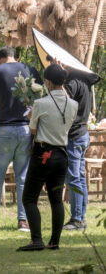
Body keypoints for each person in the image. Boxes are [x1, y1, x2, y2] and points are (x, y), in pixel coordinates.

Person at [17, 64, 78, 251]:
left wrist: (31, 117)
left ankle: (36, 240)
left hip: (43, 153)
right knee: (56, 199)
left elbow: (33, 130)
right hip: (62, 154)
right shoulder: (73, 104)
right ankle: (55, 241)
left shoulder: (40, 103)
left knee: (29, 198)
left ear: (47, 82)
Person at [0, 46, 42, 231]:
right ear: (15, 57)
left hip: (4, 129)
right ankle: (23, 221)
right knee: (22, 177)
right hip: (25, 128)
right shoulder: (30, 69)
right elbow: (39, 96)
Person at [62, 67, 100, 230]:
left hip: (74, 136)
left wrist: (59, 75)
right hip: (82, 133)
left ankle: (77, 219)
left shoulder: (73, 81)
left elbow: (62, 100)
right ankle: (80, 218)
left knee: (74, 178)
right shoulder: (83, 80)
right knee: (79, 177)